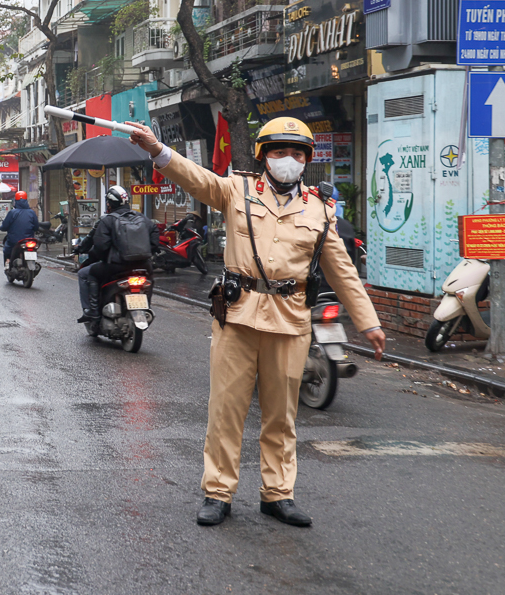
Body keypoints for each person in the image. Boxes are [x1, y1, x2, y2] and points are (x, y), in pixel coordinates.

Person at [127, 116, 385, 529]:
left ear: (307, 160)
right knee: (226, 411)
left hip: (290, 321)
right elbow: (196, 178)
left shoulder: (319, 210)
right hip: (238, 316)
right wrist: (157, 150)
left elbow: (342, 270)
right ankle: (218, 492)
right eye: (280, 152)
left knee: (281, 416)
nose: (288, 160)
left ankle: (278, 494)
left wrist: (368, 322)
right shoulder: (237, 190)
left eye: (296, 153)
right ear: (264, 156)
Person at [75, 185, 158, 331]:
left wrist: (101, 257)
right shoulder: (143, 218)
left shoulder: (107, 220)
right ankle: (147, 307)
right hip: (144, 266)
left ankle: (93, 313)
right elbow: (155, 243)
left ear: (109, 203)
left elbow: (100, 247)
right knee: (149, 280)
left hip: (117, 267)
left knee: (88, 274)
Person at [0, 191, 39, 265]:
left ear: (16, 201)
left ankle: (8, 262)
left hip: (14, 240)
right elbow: (36, 227)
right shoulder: (32, 213)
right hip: (29, 240)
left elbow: (5, 225)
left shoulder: (12, 213)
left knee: (7, 249)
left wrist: (2, 228)